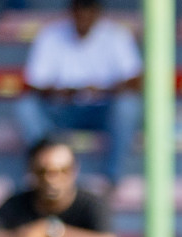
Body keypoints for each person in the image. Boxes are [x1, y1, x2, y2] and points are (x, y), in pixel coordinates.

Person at [15, 0, 142, 185]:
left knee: (128, 107)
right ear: (71, 11)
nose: (83, 17)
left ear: (97, 12)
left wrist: (102, 90)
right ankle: (44, 169)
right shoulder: (51, 34)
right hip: (64, 109)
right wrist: (63, 91)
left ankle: (112, 177)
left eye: (88, 10)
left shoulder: (116, 35)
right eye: (79, 10)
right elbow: (35, 82)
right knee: (26, 107)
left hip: (104, 110)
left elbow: (136, 81)